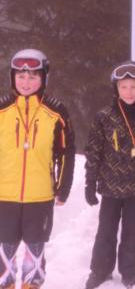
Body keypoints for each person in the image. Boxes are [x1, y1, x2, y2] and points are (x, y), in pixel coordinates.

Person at [0, 48, 75, 289]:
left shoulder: (56, 112)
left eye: (33, 76)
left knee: (35, 247)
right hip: (4, 196)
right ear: (12, 77)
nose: (26, 82)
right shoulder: (1, 110)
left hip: (40, 196)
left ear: (43, 78)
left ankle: (31, 284)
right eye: (21, 76)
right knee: (4, 247)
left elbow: (66, 153)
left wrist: (63, 188)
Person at [84, 61, 135, 289]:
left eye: (134, 87)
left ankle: (130, 272)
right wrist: (90, 182)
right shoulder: (104, 116)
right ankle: (100, 270)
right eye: (124, 87)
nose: (129, 92)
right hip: (110, 187)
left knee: (133, 233)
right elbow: (93, 151)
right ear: (116, 89)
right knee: (106, 231)